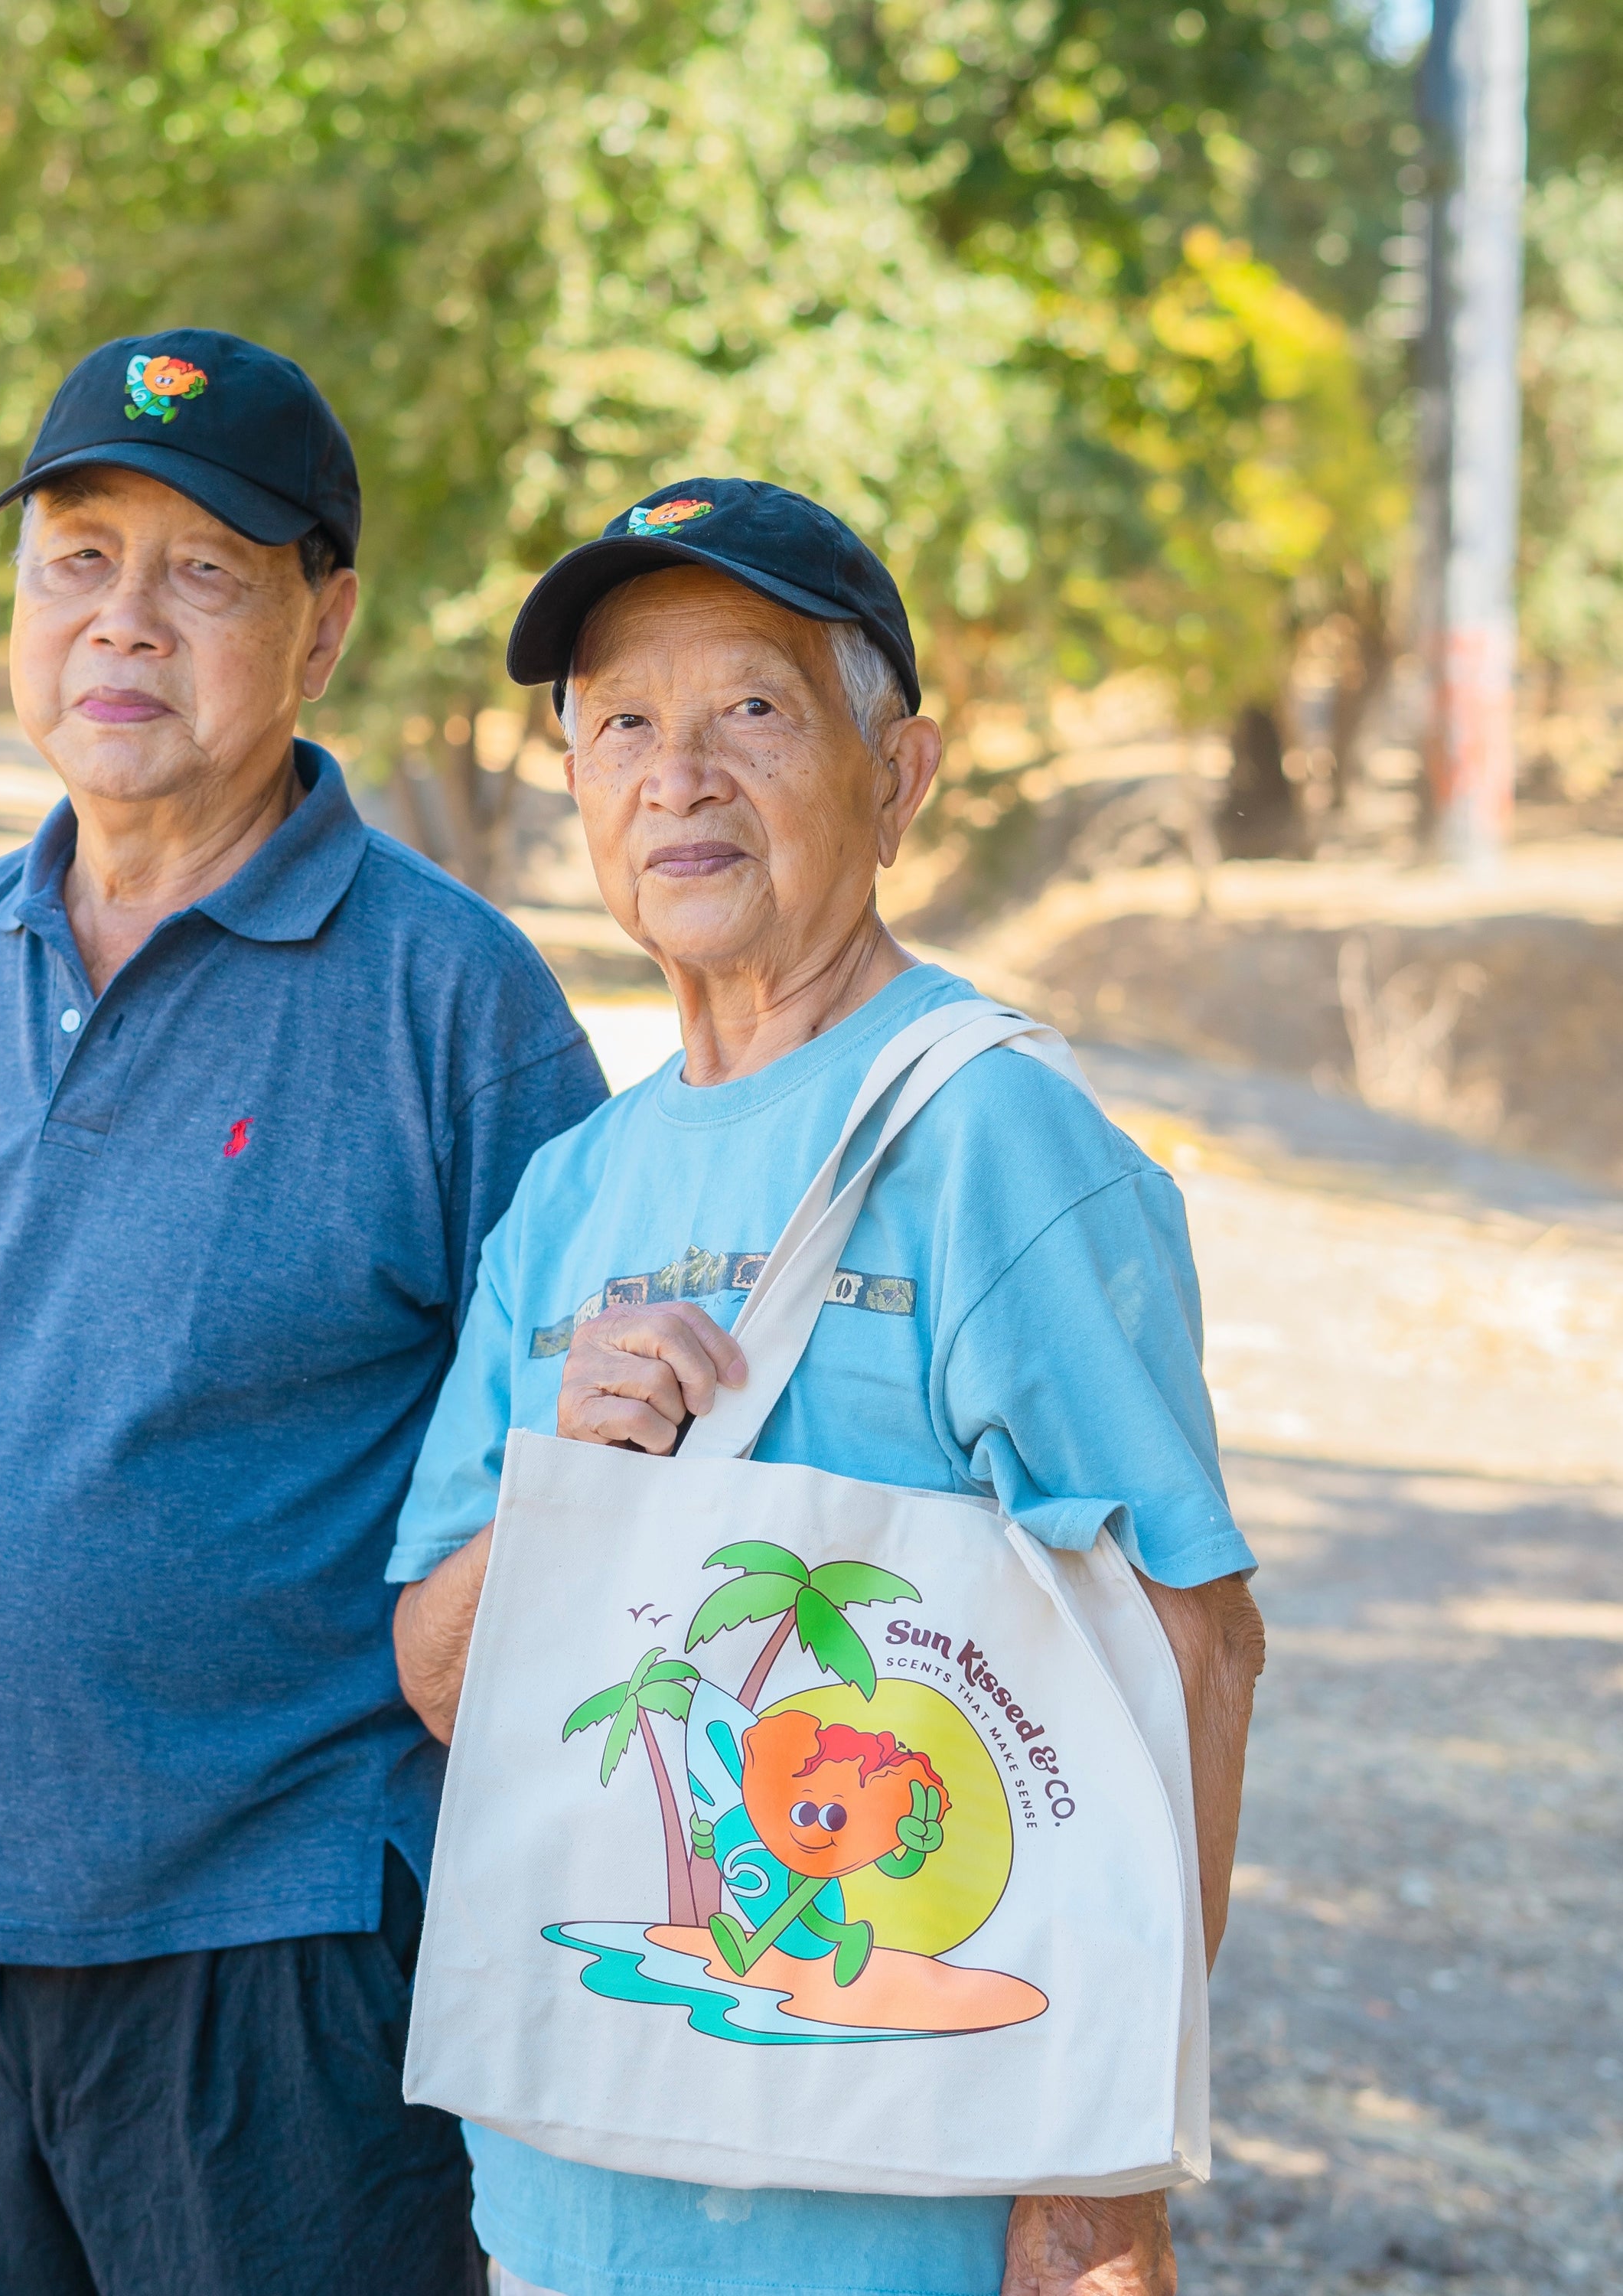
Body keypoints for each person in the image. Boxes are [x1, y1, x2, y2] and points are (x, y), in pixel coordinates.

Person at [0, 328, 608, 2296]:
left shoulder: (456, 1008)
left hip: (285, 1952)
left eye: (205, 571)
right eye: (77, 558)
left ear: (324, 629)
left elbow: (601, 1493)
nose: (125, 621)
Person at [390, 478, 1266, 2296]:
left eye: (754, 713)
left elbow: (1195, 1650)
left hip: (898, 2224)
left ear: (905, 776)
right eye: (623, 723)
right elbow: (446, 1679)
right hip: (569, 2201)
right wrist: (569, 1475)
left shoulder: (997, 1139)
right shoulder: (573, 1187)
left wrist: (1096, 2202)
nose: (678, 774)